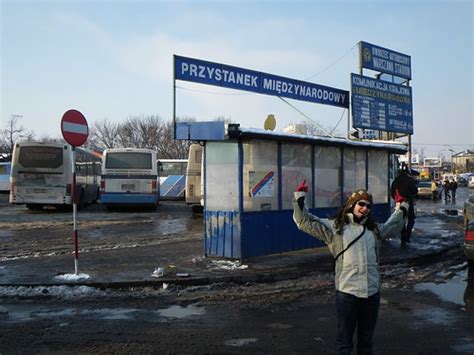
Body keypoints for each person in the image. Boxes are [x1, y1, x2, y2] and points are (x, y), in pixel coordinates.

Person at [293, 181, 408, 355]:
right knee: (344, 342)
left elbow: (394, 226)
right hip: (347, 294)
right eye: (361, 204)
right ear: (351, 205)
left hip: (371, 294)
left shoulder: (374, 230)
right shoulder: (335, 228)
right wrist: (300, 198)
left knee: (366, 341)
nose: (365, 208)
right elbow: (304, 222)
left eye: (368, 206)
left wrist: (402, 205)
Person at [390, 166, 418, 245]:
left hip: (399, 203)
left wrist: (397, 200)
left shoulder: (395, 181)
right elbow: (415, 191)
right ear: (407, 173)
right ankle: (407, 236)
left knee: (401, 219)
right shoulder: (409, 180)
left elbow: (391, 192)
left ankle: (403, 237)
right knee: (411, 219)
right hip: (408, 202)